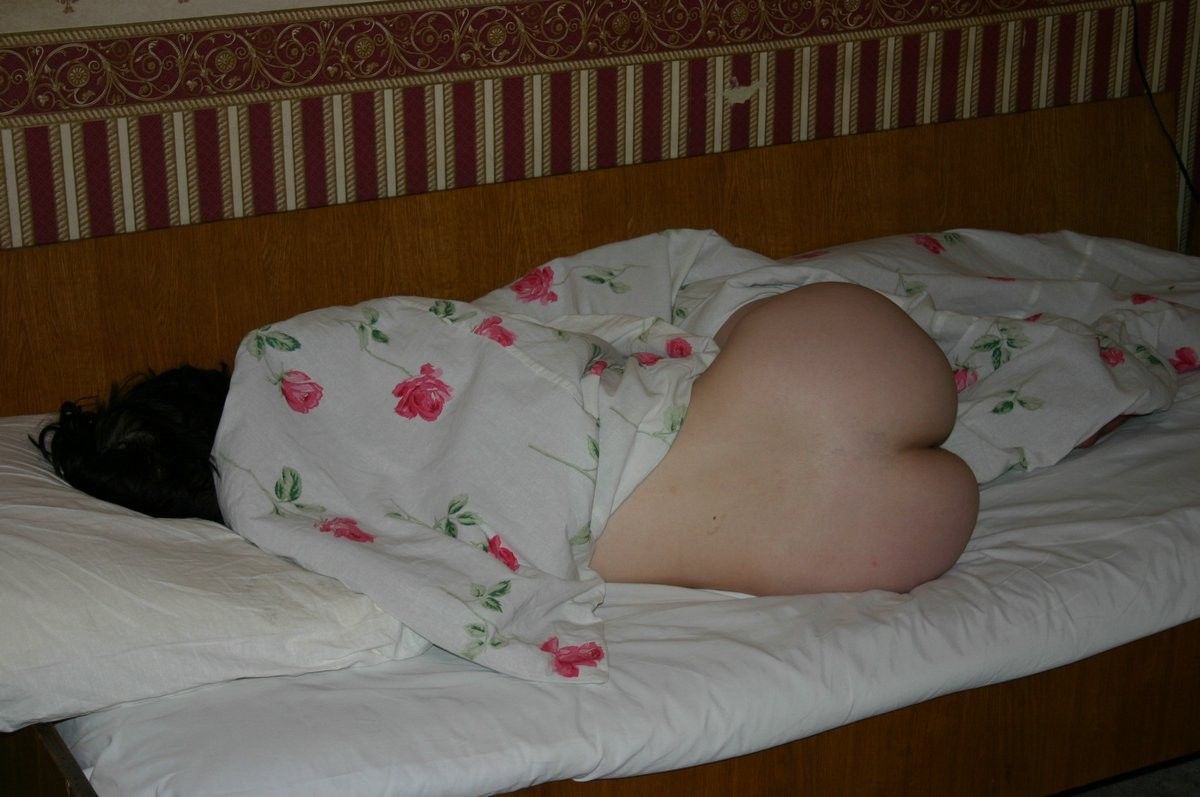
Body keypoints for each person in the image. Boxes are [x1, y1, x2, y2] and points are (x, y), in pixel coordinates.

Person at [35, 281, 976, 598]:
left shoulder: (278, 520)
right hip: (821, 350)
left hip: (849, 536)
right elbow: (476, 338)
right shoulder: (289, 355)